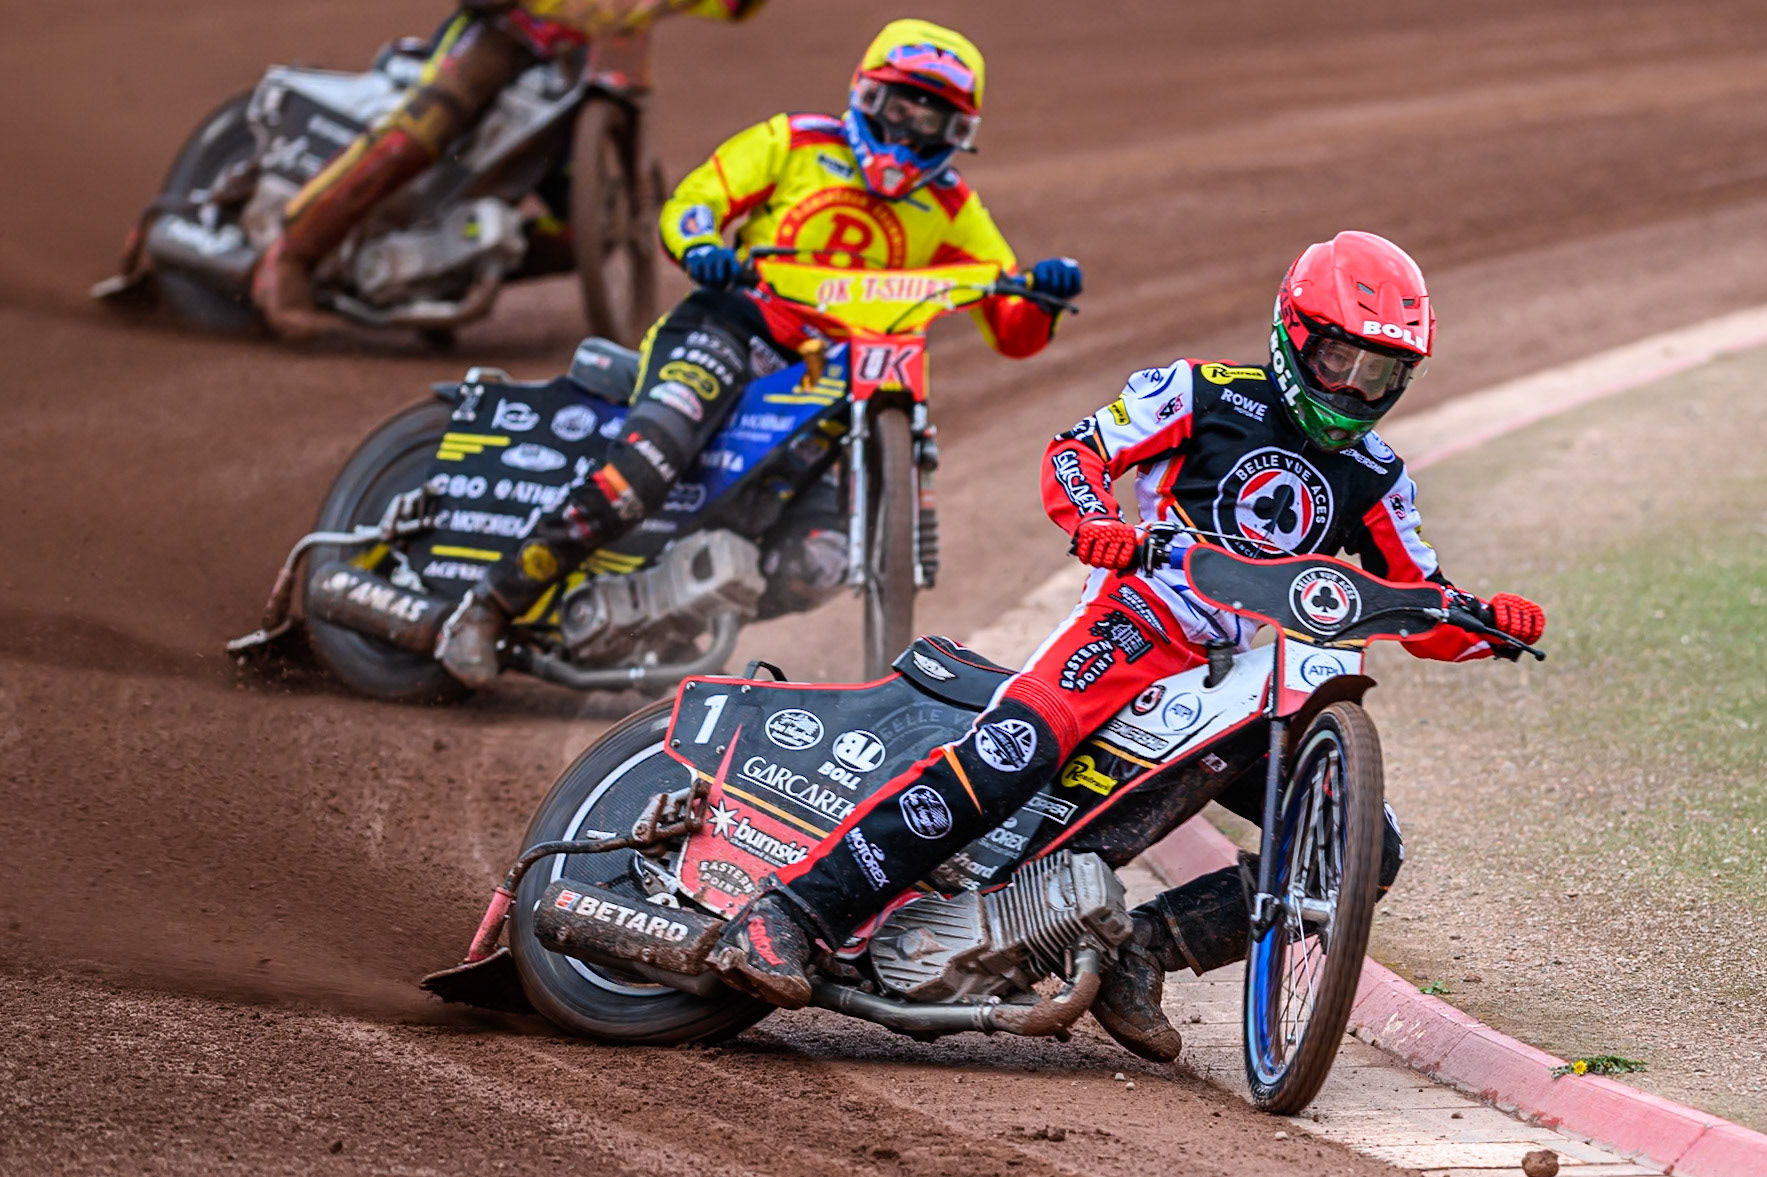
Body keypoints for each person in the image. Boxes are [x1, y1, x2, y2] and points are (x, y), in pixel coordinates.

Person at [707, 230, 1548, 1063]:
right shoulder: (1198, 391)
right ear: (1294, 335)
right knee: (1017, 746)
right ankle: (789, 912)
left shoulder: (1377, 476)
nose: (1357, 387)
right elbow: (1078, 449)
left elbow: (1421, 602)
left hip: (1243, 675)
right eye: (1340, 360)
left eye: (1382, 372)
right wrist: (1095, 522)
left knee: (1367, 842)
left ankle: (1140, 948)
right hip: (1135, 621)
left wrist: (1487, 624)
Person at [435, 18, 1084, 685]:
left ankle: (662, 617)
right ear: (869, 97)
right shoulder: (795, 142)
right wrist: (706, 251)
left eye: (934, 118)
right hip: (731, 330)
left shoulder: (951, 207)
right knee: (642, 471)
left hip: (829, 378)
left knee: (822, 560)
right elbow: (693, 203)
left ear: (958, 135)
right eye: (903, 107)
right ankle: (485, 606)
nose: (913, 129)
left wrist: (1039, 297)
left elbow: (1011, 329)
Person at [251, 0, 768, 337]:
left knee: (584, 228)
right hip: (502, 39)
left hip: (576, 74)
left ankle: (450, 269)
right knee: (420, 133)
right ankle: (291, 257)